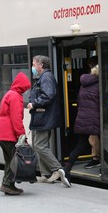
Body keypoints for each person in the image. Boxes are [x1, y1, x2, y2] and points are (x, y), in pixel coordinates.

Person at [27, 55, 71, 187]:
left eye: (34, 64)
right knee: (38, 145)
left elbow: (48, 95)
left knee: (40, 145)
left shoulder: (46, 77)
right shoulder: (43, 77)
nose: (33, 67)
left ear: (41, 65)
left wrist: (34, 104)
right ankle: (46, 174)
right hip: (41, 117)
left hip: (44, 117)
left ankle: (58, 169)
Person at [0, 72, 31, 195]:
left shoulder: (9, 94)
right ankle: (6, 184)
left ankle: (9, 185)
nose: (25, 91)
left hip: (2, 132)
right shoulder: (16, 97)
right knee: (13, 160)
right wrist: (22, 136)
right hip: (8, 134)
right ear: (22, 86)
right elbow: (16, 120)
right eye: (25, 88)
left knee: (10, 160)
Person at [64, 56, 100, 172]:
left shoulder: (83, 84)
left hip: (82, 118)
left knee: (83, 144)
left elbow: (79, 101)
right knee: (87, 143)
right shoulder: (99, 84)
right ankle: (66, 169)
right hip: (94, 119)